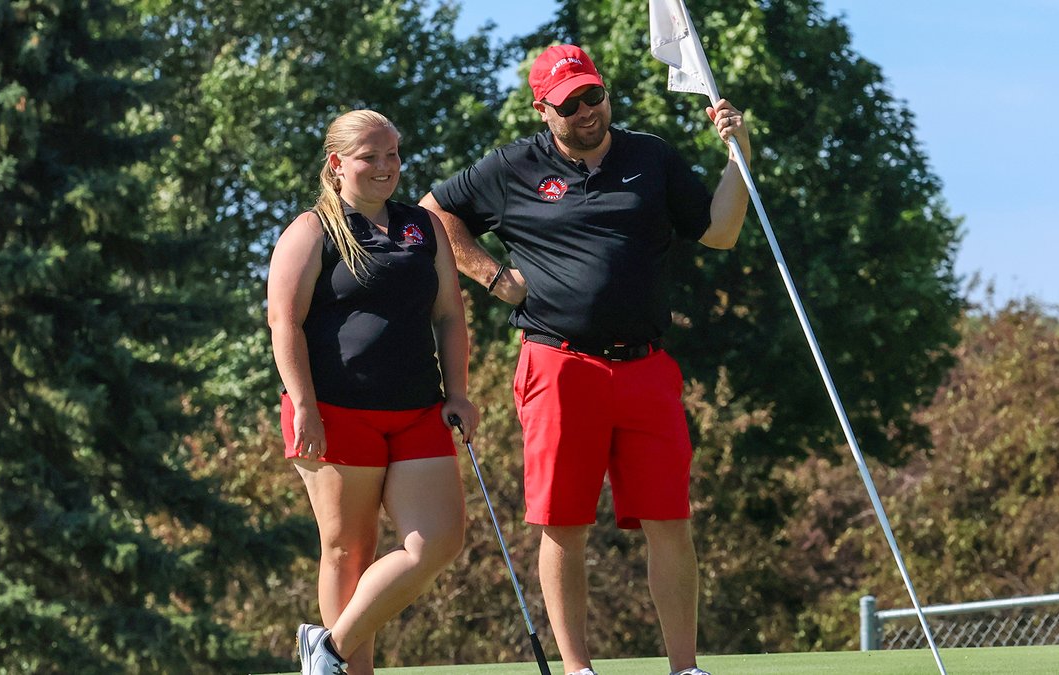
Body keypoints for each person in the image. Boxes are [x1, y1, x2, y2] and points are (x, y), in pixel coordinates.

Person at [419, 44, 750, 675]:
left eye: (593, 95)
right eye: (569, 104)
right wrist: (491, 276)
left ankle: (685, 668)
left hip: (646, 366)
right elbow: (434, 214)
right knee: (562, 522)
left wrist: (740, 155)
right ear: (543, 110)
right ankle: (578, 669)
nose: (586, 111)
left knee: (670, 519)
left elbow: (720, 231)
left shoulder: (650, 156)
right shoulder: (513, 166)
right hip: (559, 363)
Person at [268, 109, 478, 675]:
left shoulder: (423, 226)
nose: (386, 166)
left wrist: (458, 392)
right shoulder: (312, 230)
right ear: (337, 164)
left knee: (439, 541)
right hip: (335, 412)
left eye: (393, 154)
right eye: (370, 157)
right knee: (348, 549)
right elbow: (284, 323)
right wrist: (304, 406)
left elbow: (449, 315)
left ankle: (328, 650)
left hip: (419, 409)